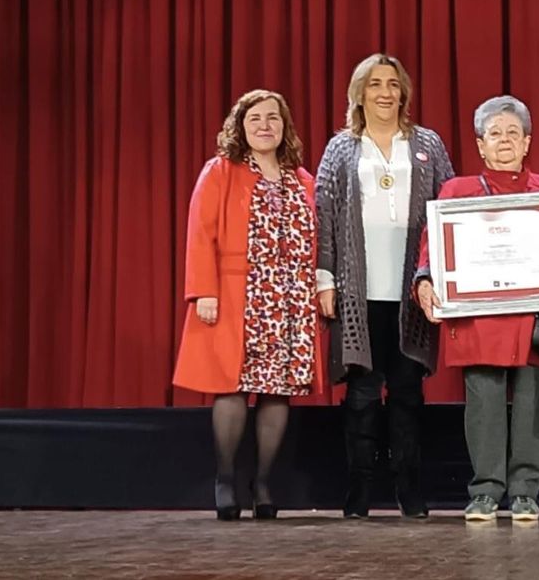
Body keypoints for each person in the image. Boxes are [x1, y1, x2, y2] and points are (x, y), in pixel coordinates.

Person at [413, 95, 539, 523]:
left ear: (528, 141)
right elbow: (431, 251)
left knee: (532, 404)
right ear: (480, 145)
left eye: (513, 132)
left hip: (533, 317)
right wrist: (424, 282)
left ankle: (525, 493)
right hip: (479, 318)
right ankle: (485, 492)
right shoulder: (456, 193)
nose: (505, 140)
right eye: (495, 133)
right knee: (484, 406)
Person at [315, 53, 454, 519]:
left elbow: (448, 209)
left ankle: (409, 489)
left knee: (408, 395)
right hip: (359, 290)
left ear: (404, 92)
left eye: (393, 84)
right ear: (360, 93)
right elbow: (325, 219)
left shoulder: (427, 145)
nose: (385, 93)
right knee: (360, 397)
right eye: (375, 84)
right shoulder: (341, 149)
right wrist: (326, 279)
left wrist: (441, 276)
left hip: (411, 292)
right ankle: (358, 491)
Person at [174, 89, 324, 521]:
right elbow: (201, 233)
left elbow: (317, 242)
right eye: (255, 118)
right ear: (240, 126)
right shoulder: (222, 171)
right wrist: (204, 290)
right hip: (240, 294)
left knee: (278, 391)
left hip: (290, 298)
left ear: (284, 126)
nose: (264, 125)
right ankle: (225, 479)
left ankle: (262, 483)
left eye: (273, 118)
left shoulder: (302, 178)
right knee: (232, 385)